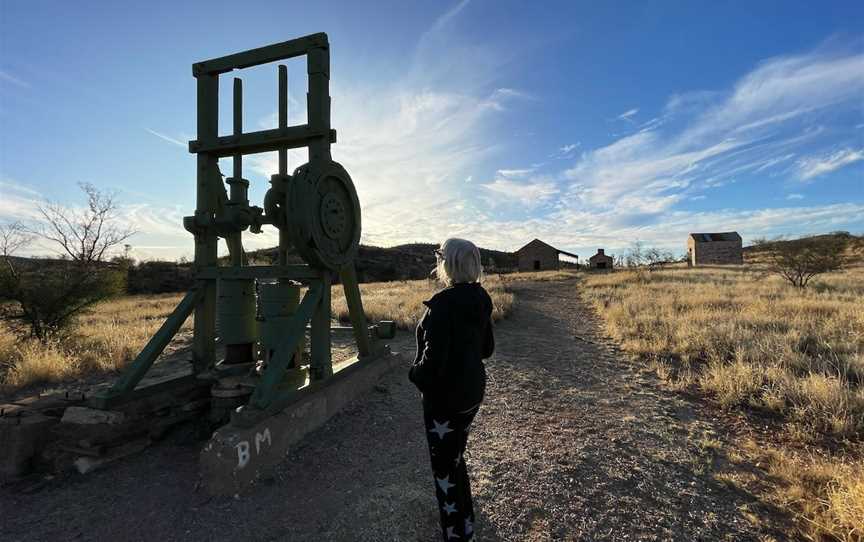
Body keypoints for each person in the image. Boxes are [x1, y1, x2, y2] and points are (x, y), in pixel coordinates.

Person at [409, 238, 495, 541]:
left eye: (439, 256)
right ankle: (466, 519)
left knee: (444, 468)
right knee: (456, 456)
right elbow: (487, 349)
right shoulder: (482, 298)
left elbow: (431, 366)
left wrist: (414, 374)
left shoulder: (442, 305)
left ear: (448, 264)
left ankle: (456, 533)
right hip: (472, 394)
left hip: (444, 401)